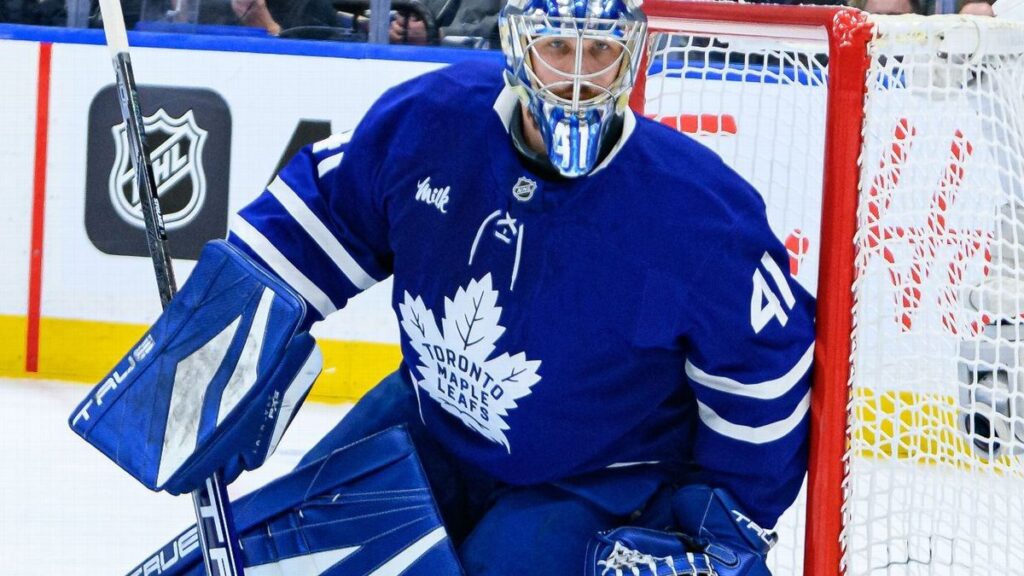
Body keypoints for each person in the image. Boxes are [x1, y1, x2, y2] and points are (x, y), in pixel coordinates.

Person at [75, 0, 815, 573]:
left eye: (601, 49)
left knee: (507, 560)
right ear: (518, 48)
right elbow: (316, 221)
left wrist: (719, 523)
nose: (581, 75)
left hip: (598, 475)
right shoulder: (433, 123)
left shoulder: (695, 212)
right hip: (434, 425)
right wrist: (216, 352)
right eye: (559, 47)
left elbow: (765, 369)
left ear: (632, 53)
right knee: (296, 544)